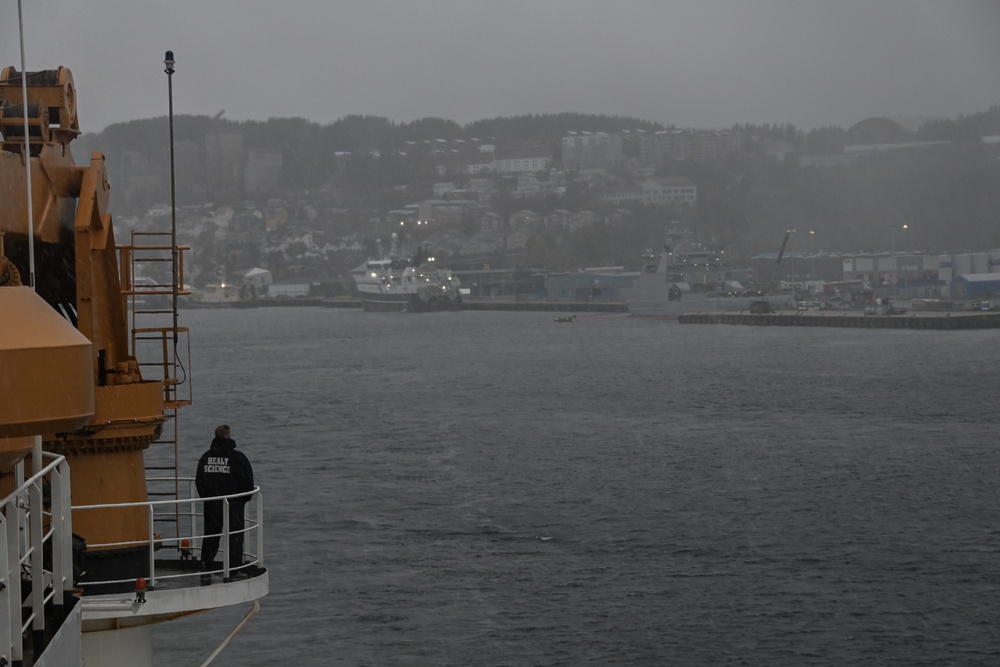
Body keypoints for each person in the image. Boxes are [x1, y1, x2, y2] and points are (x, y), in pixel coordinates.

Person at [195, 425, 254, 577]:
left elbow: (199, 481)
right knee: (235, 537)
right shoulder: (237, 458)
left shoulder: (206, 457)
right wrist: (242, 499)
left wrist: (208, 498)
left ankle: (206, 567)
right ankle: (234, 569)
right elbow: (248, 483)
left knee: (211, 536)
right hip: (234, 505)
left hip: (212, 505)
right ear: (229, 436)